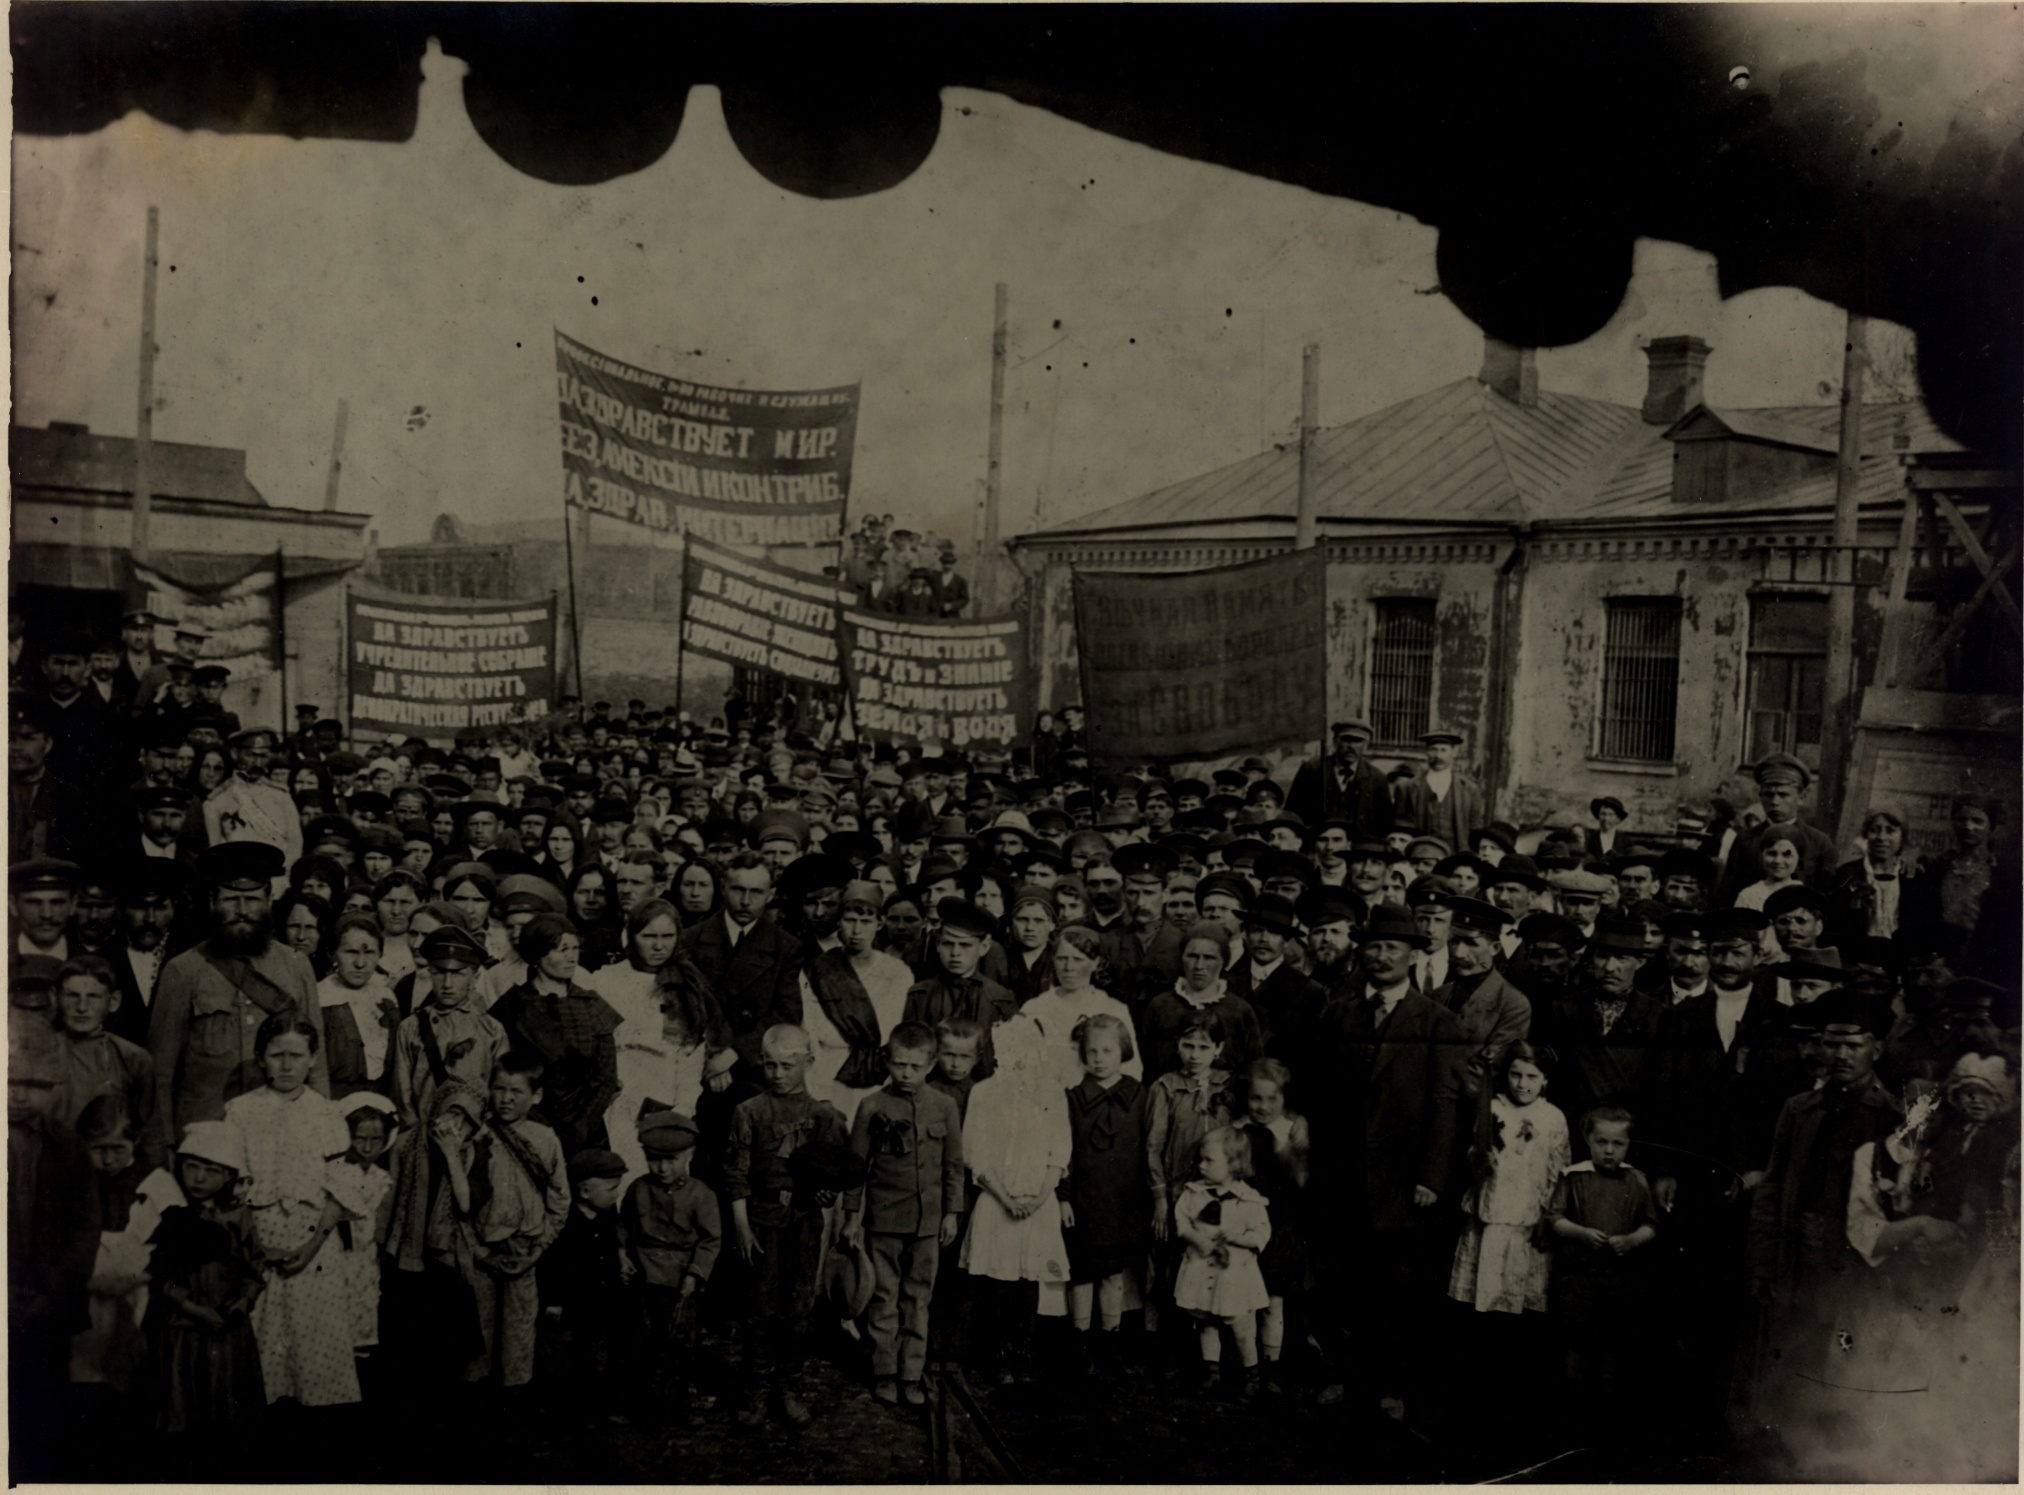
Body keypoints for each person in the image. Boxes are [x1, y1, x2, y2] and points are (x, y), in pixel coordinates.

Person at [223, 1014, 375, 1408]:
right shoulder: (240, 1111)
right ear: (261, 1058)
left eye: (297, 1055)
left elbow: (340, 1190)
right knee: (262, 1345)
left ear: (313, 1059)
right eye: (277, 1056)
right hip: (259, 1244)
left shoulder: (327, 1113)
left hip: (315, 1245)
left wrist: (311, 1247)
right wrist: (257, 1249)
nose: (287, 1065)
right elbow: (232, 1190)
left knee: (314, 1346)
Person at [147, 842, 326, 1168]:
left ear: (268, 901)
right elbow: (160, 1073)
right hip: (205, 1139)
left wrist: (320, 1136)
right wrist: (164, 1148)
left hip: (281, 1136)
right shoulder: (183, 970)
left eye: (253, 899)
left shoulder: (296, 966)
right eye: (231, 899)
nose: (242, 909)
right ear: (212, 901)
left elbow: (317, 1062)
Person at [724, 1024, 851, 1428]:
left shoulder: (824, 1116)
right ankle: (756, 1390)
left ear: (808, 1062)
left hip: (803, 1224)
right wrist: (742, 1227)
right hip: (760, 1222)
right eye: (770, 1065)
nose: (778, 1074)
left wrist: (826, 1194)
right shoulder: (749, 1112)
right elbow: (736, 1174)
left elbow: (835, 1174)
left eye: (787, 1065)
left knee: (797, 1309)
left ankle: (789, 1388)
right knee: (759, 1309)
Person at [841, 1021, 965, 1408]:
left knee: (918, 1298)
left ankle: (911, 1374)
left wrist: (951, 1212)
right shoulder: (871, 1106)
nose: (906, 1073)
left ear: (931, 1064)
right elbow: (855, 1170)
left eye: (915, 1066)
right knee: (883, 1296)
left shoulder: (944, 1106)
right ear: (887, 1062)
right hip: (884, 1220)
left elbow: (953, 1165)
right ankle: (884, 1372)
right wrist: (851, 1218)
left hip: (928, 1222)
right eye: (899, 1065)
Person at [959, 1009, 1072, 1385]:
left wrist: (1038, 1198)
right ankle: (997, 1356)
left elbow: (1059, 1152)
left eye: (1027, 1050)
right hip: (997, 1201)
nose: (1020, 1060)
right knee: (997, 1280)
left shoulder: (1052, 1093)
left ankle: (1022, 1352)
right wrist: (1006, 1199)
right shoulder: (984, 1093)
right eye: (1011, 1051)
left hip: (1039, 1203)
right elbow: (975, 1153)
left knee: (1028, 1279)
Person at [142, 1119, 265, 1438]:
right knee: (183, 1405)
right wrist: (192, 1309)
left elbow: (254, 1270)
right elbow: (157, 1275)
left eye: (211, 1171)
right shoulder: (170, 1214)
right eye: (192, 1167)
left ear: (228, 1176)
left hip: (227, 1330)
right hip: (183, 1329)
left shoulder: (239, 1216)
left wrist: (237, 1307)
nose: (198, 1178)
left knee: (226, 1407)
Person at [1546, 1106, 1661, 1412]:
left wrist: (1632, 1240)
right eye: (1601, 1142)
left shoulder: (1636, 1179)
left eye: (1618, 1143)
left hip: (1617, 1278)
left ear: (1628, 1144)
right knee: (1575, 1341)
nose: (1609, 1150)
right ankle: (1573, 1406)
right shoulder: (1574, 1177)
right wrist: (1581, 1233)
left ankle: (1606, 1410)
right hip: (1578, 1277)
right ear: (1588, 1139)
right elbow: (1554, 1218)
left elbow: (1651, 1224)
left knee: (1612, 1342)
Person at [1057, 1013, 1149, 1378]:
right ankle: (1080, 1344)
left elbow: (1147, 1148)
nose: (1098, 1059)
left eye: (1107, 1051)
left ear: (1123, 1051)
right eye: (1092, 1051)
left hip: (1123, 1201)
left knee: (1113, 1273)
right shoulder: (1073, 1097)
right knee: (1082, 1272)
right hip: (1085, 1200)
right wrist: (1064, 1197)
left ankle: (1110, 1342)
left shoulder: (1138, 1094)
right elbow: (1063, 1152)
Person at [1449, 1042, 1569, 1317]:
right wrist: (1480, 1160)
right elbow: (1474, 1156)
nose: (1522, 1084)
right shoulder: (1492, 1109)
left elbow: (1558, 1172)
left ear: (1545, 1079)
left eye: (1532, 1077)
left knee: (1519, 1296)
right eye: (1516, 1075)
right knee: (1485, 1292)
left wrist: (1547, 1216)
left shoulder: (1552, 1117)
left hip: (1529, 1218)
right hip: (1491, 1212)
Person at [617, 1110, 721, 1425]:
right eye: (654, 1159)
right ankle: (635, 1406)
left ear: (689, 1155)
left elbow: (710, 1240)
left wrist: (694, 1274)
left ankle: (678, 1406)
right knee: (638, 1342)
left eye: (672, 1160)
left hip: (680, 1281)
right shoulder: (638, 1189)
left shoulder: (701, 1194)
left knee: (679, 1344)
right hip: (643, 1277)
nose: (662, 1168)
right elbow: (623, 1226)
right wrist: (621, 1254)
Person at [489, 915, 621, 1157]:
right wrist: (541, 1128)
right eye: (562, 950)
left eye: (575, 949)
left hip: (586, 1133)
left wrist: (582, 1127)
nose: (572, 957)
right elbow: (505, 1072)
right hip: (527, 1127)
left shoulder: (592, 1005)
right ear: (538, 955)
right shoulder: (512, 1007)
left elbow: (606, 1077)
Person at [678, 851, 804, 1076]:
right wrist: (711, 1054)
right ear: (723, 887)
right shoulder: (690, 939)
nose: (746, 901)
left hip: (751, 1065)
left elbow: (786, 1014)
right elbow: (680, 1007)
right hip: (693, 1061)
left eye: (756, 892)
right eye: (738, 889)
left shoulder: (786, 948)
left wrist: (735, 1053)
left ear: (771, 894)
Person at [1173, 1125, 1272, 1400]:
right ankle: (1212, 1373)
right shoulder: (1194, 1193)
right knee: (1206, 1321)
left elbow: (1261, 1234)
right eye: (1200, 1159)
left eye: (1209, 1160)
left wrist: (1238, 1238)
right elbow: (1181, 1221)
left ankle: (1252, 1377)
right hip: (1202, 1267)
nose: (1201, 1165)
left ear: (1234, 1164)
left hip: (1234, 1275)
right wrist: (1196, 1238)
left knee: (1242, 1327)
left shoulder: (1249, 1200)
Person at [802, 880, 915, 1112]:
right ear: (838, 921)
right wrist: (818, 1090)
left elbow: (890, 1031)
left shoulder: (897, 973)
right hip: (826, 1073)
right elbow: (810, 1031)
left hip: (879, 1076)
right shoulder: (818, 970)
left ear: (880, 923)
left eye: (865, 922)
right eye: (850, 920)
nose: (856, 931)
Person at [389, 923, 511, 1136]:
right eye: (439, 972)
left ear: (474, 978)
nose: (447, 983)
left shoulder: (492, 1029)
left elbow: (500, 1089)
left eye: (457, 974)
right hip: (423, 1134)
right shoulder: (411, 1027)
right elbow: (402, 1094)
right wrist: (416, 1136)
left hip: (475, 1136)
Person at [902, 897, 1018, 1078]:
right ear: (938, 944)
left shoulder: (1000, 999)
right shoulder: (921, 995)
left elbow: (1009, 1059)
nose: (955, 953)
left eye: (965, 945)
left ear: (984, 947)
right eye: (948, 943)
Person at [1139, 922, 1263, 1079]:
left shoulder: (1239, 1010)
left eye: (1209, 958)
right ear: (1181, 958)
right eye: (1192, 956)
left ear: (1223, 962)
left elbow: (1255, 1067)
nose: (1199, 965)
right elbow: (1146, 1065)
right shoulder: (1160, 1006)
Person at [52, 955, 156, 1137]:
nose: (82, 1007)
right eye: (72, 995)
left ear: (113, 1001)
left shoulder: (133, 1058)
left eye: (93, 996)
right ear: (55, 998)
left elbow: (149, 1129)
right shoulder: (41, 1051)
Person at [330, 1094, 395, 1360]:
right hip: (337, 1259)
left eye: (375, 1140)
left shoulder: (383, 1178)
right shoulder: (335, 1173)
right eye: (360, 1138)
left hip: (367, 1261)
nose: (367, 1148)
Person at [318, 914, 399, 1100]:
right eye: (351, 952)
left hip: (381, 1099)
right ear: (333, 954)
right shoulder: (321, 997)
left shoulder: (386, 998)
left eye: (369, 952)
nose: (360, 963)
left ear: (380, 955)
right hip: (332, 1099)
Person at [1286, 720, 1394, 844]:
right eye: (1346, 739)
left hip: (1357, 848)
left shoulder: (1377, 778)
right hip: (1319, 846)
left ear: (1366, 745)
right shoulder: (1312, 770)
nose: (1351, 746)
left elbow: (1384, 824)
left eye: (1358, 741)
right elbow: (1293, 813)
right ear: (1335, 741)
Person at [1398, 729, 1483, 855]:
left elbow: (1475, 829)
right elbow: (1401, 828)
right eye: (1433, 749)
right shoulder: (1408, 788)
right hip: (1421, 855)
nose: (1438, 755)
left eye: (1443, 750)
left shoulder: (1470, 789)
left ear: (1453, 752)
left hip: (1456, 856)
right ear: (1426, 752)